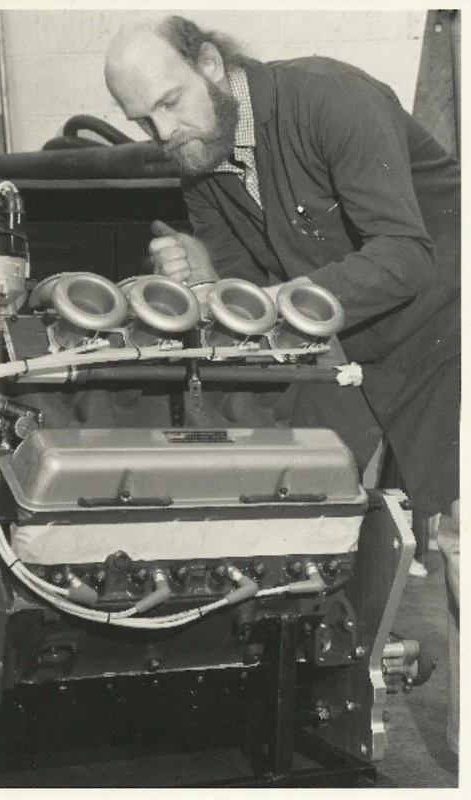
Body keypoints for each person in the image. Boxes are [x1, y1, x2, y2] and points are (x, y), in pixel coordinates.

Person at [104, 15, 460, 754]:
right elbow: (247, 288)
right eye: (141, 118)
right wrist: (202, 285)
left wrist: (265, 303)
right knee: (294, 478)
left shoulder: (331, 100)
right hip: (349, 336)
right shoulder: (200, 159)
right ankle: (311, 670)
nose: (162, 130)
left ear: (208, 61)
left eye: (169, 102)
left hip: (443, 321)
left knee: (450, 529)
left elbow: (404, 256)